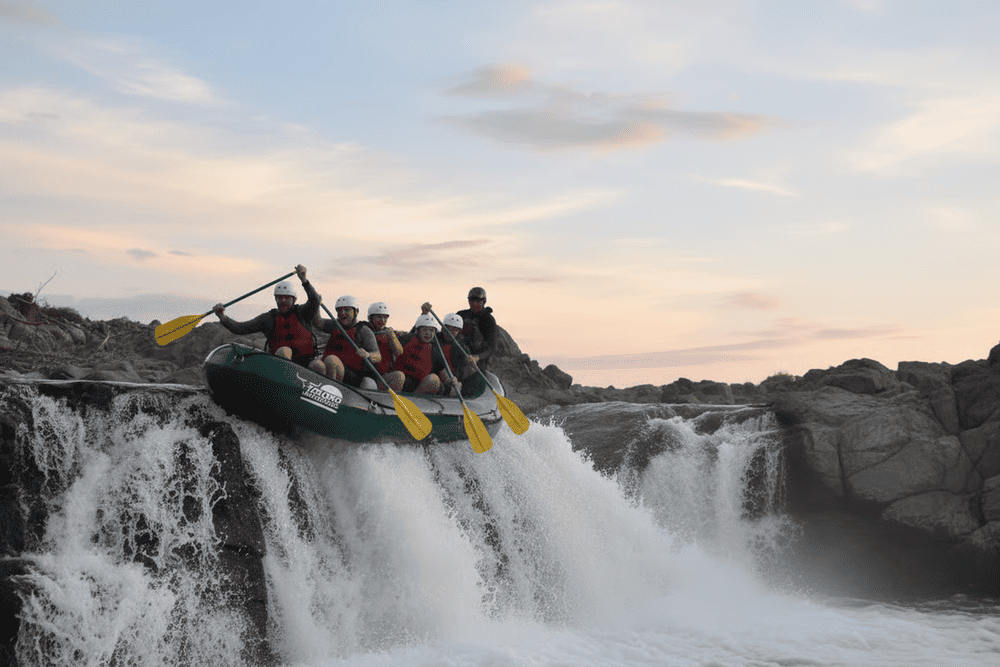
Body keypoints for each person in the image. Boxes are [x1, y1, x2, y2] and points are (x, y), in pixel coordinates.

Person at [212, 265, 320, 368]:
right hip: (280, 365)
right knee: (284, 351)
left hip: (306, 364)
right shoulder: (268, 319)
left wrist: (304, 281)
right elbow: (239, 328)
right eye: (279, 298)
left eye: (286, 298)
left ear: (294, 300)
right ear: (275, 299)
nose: (282, 301)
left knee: (319, 366)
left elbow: (315, 300)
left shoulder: (304, 312)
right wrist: (222, 316)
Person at [422, 286, 498, 372]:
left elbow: (491, 347)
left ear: (483, 301)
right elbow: (445, 333)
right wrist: (424, 314)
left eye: (478, 301)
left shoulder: (489, 320)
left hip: (475, 361)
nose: (475, 303)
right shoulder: (461, 314)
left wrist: (477, 357)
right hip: (456, 352)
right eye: (472, 300)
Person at [313, 295, 381, 388]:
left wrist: (368, 354)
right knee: (315, 364)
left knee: (331, 360)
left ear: (356, 312)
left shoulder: (364, 331)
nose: (342, 313)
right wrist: (316, 303)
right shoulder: (334, 325)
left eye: (347, 310)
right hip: (331, 369)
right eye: (339, 310)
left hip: (353, 376)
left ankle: (331, 391)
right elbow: (317, 322)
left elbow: (378, 356)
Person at [384, 313, 449, 394]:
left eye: (431, 330)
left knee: (434, 379)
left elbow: (444, 375)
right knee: (399, 376)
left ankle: (412, 403)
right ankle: (394, 402)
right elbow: (394, 348)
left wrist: (452, 381)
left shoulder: (436, 350)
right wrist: (391, 336)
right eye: (425, 329)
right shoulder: (406, 339)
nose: (428, 333)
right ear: (418, 330)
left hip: (418, 389)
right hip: (399, 382)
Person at [360, 302, 404, 378]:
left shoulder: (389, 333)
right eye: (379, 317)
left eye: (385, 317)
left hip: (383, 376)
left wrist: (393, 338)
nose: (383, 320)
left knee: (399, 376)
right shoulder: (362, 330)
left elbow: (399, 352)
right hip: (366, 374)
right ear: (371, 318)